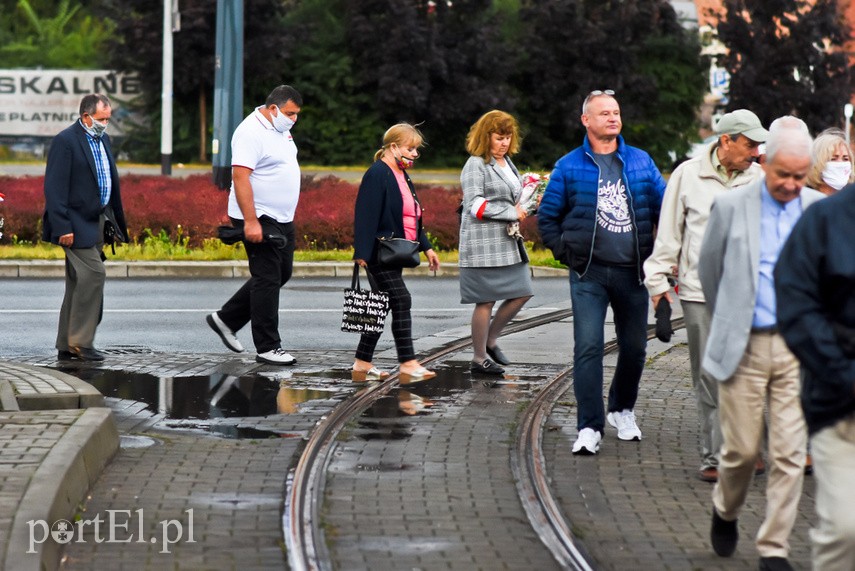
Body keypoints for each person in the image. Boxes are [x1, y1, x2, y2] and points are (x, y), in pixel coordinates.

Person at [700, 117, 824, 571]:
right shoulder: (732, 207)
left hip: (794, 350)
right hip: (745, 348)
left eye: (799, 175)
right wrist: (731, 320)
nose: (791, 184)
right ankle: (725, 509)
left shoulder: (815, 209)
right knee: (742, 452)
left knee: (790, 454)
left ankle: (774, 547)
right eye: (782, 174)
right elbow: (709, 272)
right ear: (764, 161)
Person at [538, 90, 665, 455]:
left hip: (633, 274)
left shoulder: (640, 162)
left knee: (635, 348)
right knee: (589, 347)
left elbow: (666, 208)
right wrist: (568, 254)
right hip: (589, 274)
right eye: (604, 113)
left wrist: (663, 256)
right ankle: (589, 426)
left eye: (616, 112)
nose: (612, 118)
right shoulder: (569, 165)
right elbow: (548, 217)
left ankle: (622, 409)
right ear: (586, 120)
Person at [643, 109, 768, 482]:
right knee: (709, 376)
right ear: (725, 141)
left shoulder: (760, 178)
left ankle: (749, 449)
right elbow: (668, 237)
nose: (756, 152)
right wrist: (658, 286)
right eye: (749, 144)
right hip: (700, 293)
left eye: (759, 144)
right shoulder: (688, 175)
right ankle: (715, 456)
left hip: (749, 294)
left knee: (749, 375)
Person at [775, 184, 855, 571]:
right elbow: (798, 305)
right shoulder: (825, 220)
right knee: (844, 530)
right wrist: (845, 374)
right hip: (841, 407)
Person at [206, 85, 303, 365]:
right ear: (273, 108)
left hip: (282, 216)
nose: (293, 119)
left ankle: (226, 319)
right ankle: (268, 347)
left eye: (296, 114)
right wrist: (250, 221)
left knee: (280, 274)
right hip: (259, 215)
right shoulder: (250, 132)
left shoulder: (279, 128)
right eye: (290, 113)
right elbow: (240, 178)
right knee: (268, 278)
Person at [351, 123, 441, 382]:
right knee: (401, 299)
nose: (414, 154)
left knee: (381, 305)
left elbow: (411, 216)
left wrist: (427, 247)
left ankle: (361, 363)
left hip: (398, 250)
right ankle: (408, 362)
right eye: (409, 148)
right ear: (393, 147)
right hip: (380, 252)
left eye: (416, 150)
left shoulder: (401, 174)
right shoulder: (378, 173)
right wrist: (362, 253)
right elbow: (365, 214)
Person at [42, 93, 128, 362]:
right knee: (94, 275)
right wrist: (62, 226)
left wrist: (112, 219)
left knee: (77, 282)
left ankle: (66, 344)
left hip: (98, 220)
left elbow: (106, 179)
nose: (105, 124)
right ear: (86, 117)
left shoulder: (102, 139)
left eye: (108, 119)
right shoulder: (66, 141)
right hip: (74, 223)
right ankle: (81, 342)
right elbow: (54, 189)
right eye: (101, 119)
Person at [458, 110, 533, 376]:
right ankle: (479, 359)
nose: (504, 143)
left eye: (507, 137)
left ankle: (490, 340)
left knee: (523, 291)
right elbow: (474, 205)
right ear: (485, 136)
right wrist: (511, 212)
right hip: (482, 245)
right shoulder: (475, 164)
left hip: (507, 240)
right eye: (499, 137)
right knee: (485, 300)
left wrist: (529, 201)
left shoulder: (507, 162)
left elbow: (513, 197)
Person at [806, 128, 853, 196]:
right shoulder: (805, 198)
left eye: (845, 159)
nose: (840, 163)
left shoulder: (850, 199)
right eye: (833, 159)